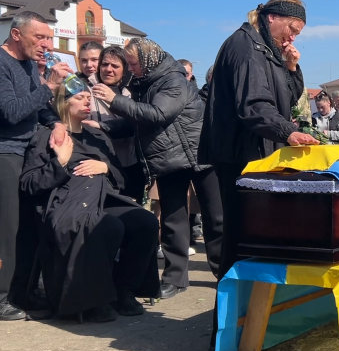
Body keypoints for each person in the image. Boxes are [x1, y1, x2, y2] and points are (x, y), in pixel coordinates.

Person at [198, 0, 317, 351]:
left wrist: (291, 68)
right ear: (272, 17)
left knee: (258, 242)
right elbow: (254, 105)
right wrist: (287, 132)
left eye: (297, 33)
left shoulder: (267, 49)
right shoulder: (245, 46)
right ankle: (227, 340)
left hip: (257, 155)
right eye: (291, 29)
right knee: (240, 246)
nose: (292, 37)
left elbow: (285, 99)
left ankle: (254, 330)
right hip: (239, 159)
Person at [92, 38, 224, 301]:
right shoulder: (143, 83)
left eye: (133, 63)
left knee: (215, 217)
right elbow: (139, 120)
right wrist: (105, 126)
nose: (131, 68)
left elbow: (156, 114)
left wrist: (115, 100)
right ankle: (175, 278)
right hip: (168, 158)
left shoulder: (173, 80)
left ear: (148, 60)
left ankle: (224, 273)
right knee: (173, 219)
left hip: (200, 154)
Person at [20, 83, 160, 322]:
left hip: (102, 197)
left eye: (89, 97)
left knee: (144, 222)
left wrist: (105, 167)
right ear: (64, 102)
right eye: (80, 97)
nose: (88, 102)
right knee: (106, 226)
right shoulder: (46, 136)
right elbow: (29, 183)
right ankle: (95, 299)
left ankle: (123, 290)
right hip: (66, 202)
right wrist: (60, 163)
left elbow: (121, 178)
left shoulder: (97, 135)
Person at [0, 11, 71, 320]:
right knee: (8, 230)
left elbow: (39, 107)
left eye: (49, 38)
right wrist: (50, 86)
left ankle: (22, 291)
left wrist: (56, 123)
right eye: (40, 37)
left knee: (30, 227)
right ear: (17, 35)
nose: (47, 44)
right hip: (5, 154)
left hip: (29, 153)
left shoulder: (29, 64)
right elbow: (11, 113)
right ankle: (2, 297)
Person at [83, 46, 145, 200]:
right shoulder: (85, 90)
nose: (108, 69)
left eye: (115, 66)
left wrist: (103, 126)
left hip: (131, 163)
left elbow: (137, 123)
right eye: (104, 64)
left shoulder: (135, 92)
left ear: (125, 69)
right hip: (99, 163)